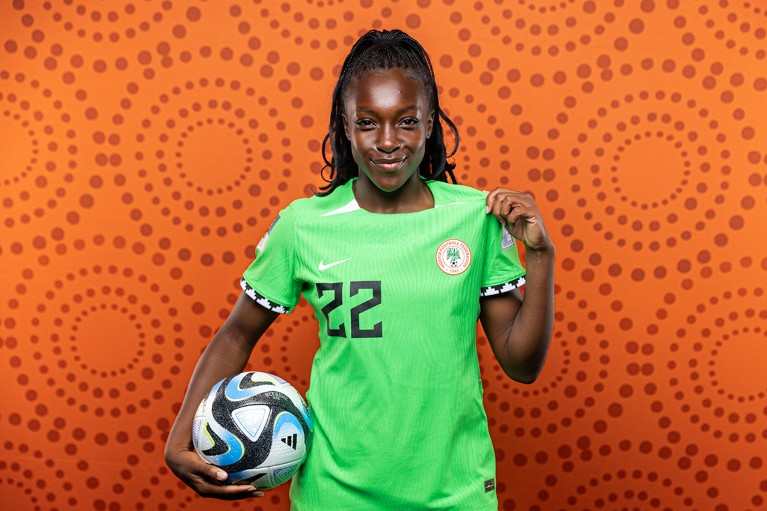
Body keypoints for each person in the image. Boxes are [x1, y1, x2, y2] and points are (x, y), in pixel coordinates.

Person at [164, 29, 555, 510]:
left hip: (454, 493)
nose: (388, 142)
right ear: (344, 128)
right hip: (334, 493)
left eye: (406, 121)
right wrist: (181, 439)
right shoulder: (304, 225)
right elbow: (236, 334)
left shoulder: (475, 218)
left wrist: (539, 258)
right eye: (368, 123)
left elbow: (522, 365)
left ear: (430, 124)